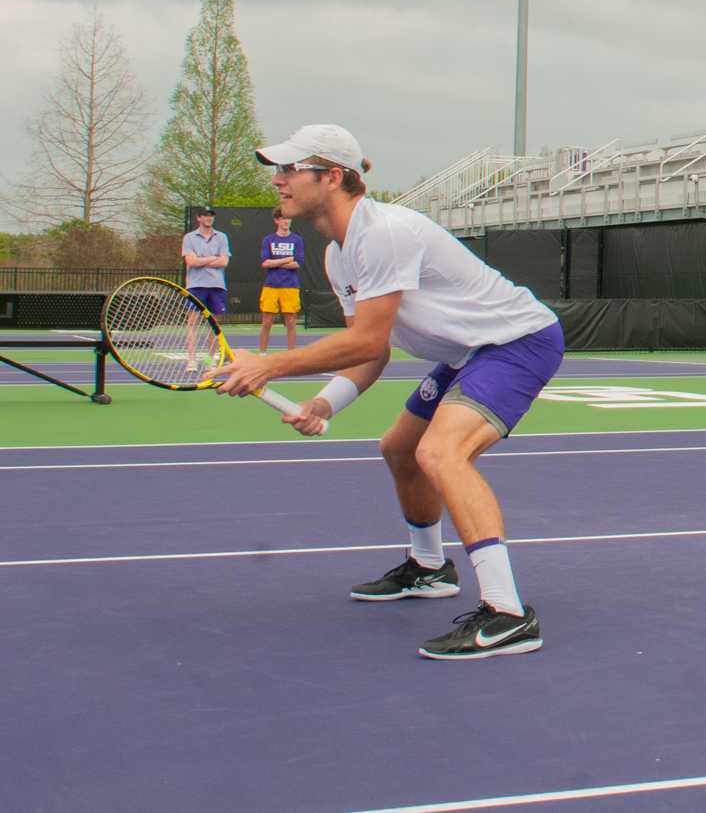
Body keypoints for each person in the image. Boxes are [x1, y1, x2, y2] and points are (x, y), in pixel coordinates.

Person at [215, 124, 565, 661]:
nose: (278, 180)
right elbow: (370, 353)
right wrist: (324, 402)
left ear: (332, 177)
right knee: (399, 449)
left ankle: (508, 615)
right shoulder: (339, 254)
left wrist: (270, 366)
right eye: (278, 170)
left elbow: (367, 337)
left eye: (289, 169)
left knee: (440, 452)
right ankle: (429, 568)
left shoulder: (386, 232)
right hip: (465, 354)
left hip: (517, 343)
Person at [181, 206, 230, 370]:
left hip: (216, 285)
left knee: (214, 325)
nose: (209, 218)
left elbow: (224, 262)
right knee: (192, 322)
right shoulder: (189, 237)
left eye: (211, 216)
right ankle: (192, 360)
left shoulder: (222, 237)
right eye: (206, 215)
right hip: (195, 285)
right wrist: (212, 258)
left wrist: (202, 260)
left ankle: (211, 361)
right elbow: (191, 262)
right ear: (199, 218)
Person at [257, 209, 305, 353]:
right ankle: (262, 354)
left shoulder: (297, 240)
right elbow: (265, 263)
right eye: (283, 218)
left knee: (290, 321)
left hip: (290, 286)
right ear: (277, 220)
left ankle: (291, 354)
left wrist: (276, 262)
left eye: (288, 218)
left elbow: (297, 264)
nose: (286, 221)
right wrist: (286, 259)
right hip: (271, 285)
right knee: (266, 322)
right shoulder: (268, 240)